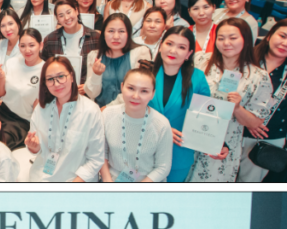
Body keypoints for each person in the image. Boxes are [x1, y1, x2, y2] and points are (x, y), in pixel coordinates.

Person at [190, 18, 274, 182]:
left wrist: (237, 108)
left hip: (223, 146)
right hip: (190, 136)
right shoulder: (201, 61)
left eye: (233, 38)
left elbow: (255, 123)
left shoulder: (258, 76)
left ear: (246, 39)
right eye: (221, 38)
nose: (226, 43)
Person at [242, 18, 287, 182]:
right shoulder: (245, 59)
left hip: (266, 137)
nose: (285, 43)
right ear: (269, 36)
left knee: (246, 185)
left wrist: (275, 115)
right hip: (233, 130)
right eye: (282, 36)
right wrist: (247, 118)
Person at [145, 26, 211, 182]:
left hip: (179, 153)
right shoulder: (144, 72)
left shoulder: (198, 78)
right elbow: (131, 108)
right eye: (169, 44)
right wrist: (161, 127)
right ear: (161, 45)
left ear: (189, 54)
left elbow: (206, 116)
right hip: (144, 150)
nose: (173, 51)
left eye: (181, 47)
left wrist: (219, 142)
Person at [26, 56, 105, 182]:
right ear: (45, 83)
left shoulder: (90, 110)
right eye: (50, 79)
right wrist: (33, 147)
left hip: (75, 181)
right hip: (41, 177)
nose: (56, 84)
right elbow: (38, 150)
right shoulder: (41, 109)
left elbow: (96, 160)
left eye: (61, 77)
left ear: (72, 77)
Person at [100, 66, 173, 183]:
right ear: (122, 87)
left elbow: (163, 167)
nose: (135, 96)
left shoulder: (161, 124)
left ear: (153, 94)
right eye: (131, 88)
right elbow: (101, 154)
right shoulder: (107, 115)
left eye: (144, 91)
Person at [85, 13, 153, 107]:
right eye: (111, 31)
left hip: (128, 111)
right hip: (99, 113)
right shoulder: (94, 55)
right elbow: (91, 94)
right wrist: (96, 75)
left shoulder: (140, 53)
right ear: (103, 34)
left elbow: (140, 91)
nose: (116, 36)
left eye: (121, 31)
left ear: (128, 34)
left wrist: (108, 109)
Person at [41, 0, 101, 91]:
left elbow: (99, 68)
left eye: (69, 12)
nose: (66, 17)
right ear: (57, 18)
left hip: (86, 94)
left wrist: (88, 87)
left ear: (76, 11)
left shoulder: (95, 38)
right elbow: (45, 69)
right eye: (61, 15)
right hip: (59, 92)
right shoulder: (50, 40)